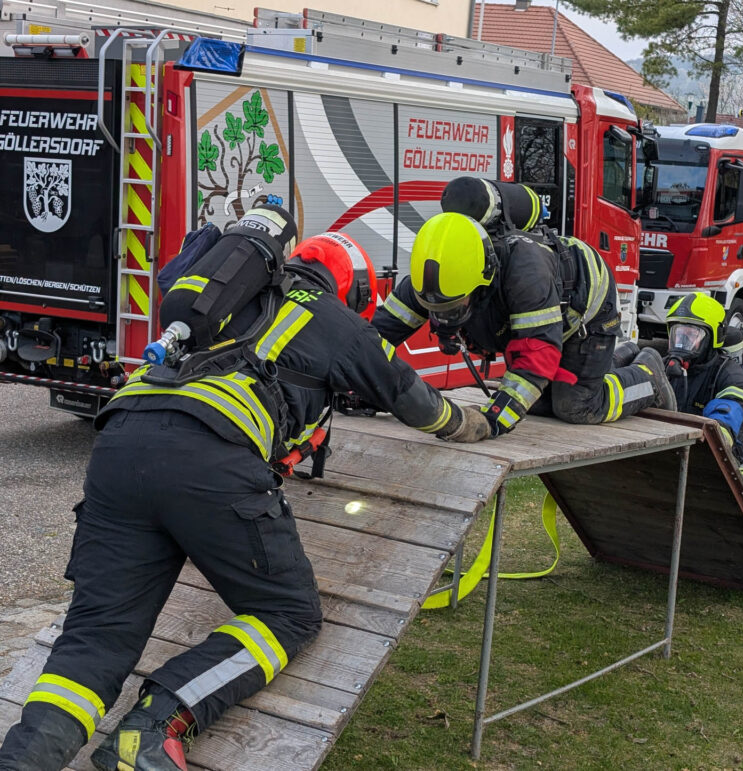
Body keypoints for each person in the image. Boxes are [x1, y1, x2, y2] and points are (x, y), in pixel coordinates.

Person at [0, 212, 489, 771]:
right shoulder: (333, 318)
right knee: (288, 613)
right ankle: (154, 728)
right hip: (211, 457)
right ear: (353, 289)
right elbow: (412, 398)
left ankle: (22, 760)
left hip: (118, 445)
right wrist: (470, 424)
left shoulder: (220, 302)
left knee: (97, 635)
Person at [372, 182, 676, 437]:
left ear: (483, 280)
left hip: (587, 308)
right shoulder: (435, 273)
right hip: (547, 315)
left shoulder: (524, 274)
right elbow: (375, 337)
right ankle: (615, 359)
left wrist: (493, 422)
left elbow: (537, 355)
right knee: (539, 404)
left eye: (454, 308)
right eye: (436, 310)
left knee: (576, 405)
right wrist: (360, 386)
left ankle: (648, 377)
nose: (444, 317)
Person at [629, 292, 743, 542]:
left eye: (691, 335)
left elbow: (723, 426)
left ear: (714, 338)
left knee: (728, 531)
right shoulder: (666, 367)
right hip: (682, 455)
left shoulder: (731, 376)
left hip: (730, 462)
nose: (682, 343)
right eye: (677, 334)